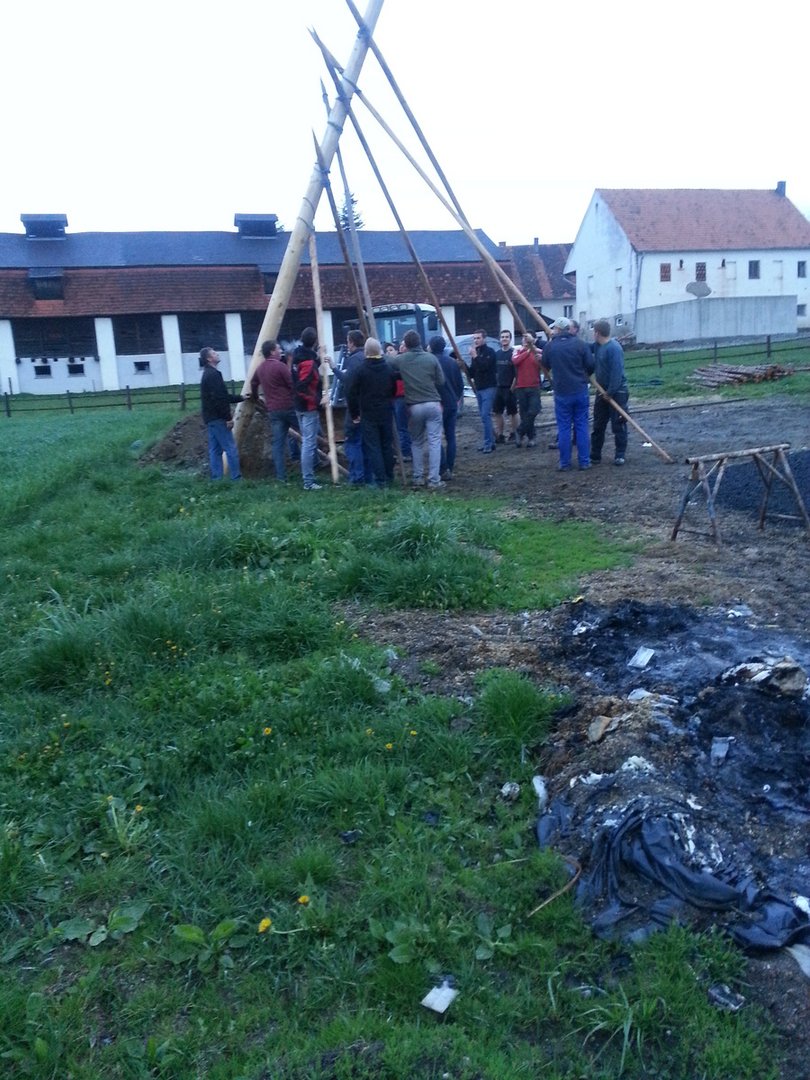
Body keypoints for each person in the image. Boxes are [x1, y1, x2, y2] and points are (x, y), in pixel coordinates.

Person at [390, 329, 445, 489]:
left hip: (414, 406)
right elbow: (441, 381)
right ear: (420, 342)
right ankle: (434, 479)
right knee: (434, 442)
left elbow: (387, 363)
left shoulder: (401, 360)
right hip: (433, 404)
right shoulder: (431, 358)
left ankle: (418, 477)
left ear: (406, 345)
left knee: (416, 442)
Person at [542, 317, 594, 470]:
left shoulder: (551, 346)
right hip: (579, 389)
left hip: (562, 392)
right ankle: (584, 462)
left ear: (558, 329)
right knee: (581, 425)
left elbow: (545, 365)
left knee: (564, 428)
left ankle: (565, 463)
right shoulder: (580, 344)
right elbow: (591, 365)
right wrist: (583, 375)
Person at [346, 337, 397, 487]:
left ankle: (380, 480)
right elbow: (393, 388)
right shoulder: (388, 368)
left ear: (366, 352)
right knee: (386, 445)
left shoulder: (361, 370)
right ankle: (389, 475)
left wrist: (354, 414)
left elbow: (351, 393)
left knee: (374, 447)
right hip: (386, 411)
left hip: (368, 413)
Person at [250, 339, 296, 483]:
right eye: (278, 349)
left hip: (273, 410)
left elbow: (253, 383)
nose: (280, 351)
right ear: (272, 352)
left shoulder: (260, 368)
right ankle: (315, 462)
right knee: (309, 434)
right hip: (288, 407)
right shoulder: (280, 366)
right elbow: (292, 384)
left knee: (278, 444)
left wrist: (255, 397)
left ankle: (281, 477)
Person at [327, 329, 368, 485]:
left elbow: (348, 384)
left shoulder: (353, 360)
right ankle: (367, 476)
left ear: (351, 342)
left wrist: (334, 368)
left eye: (347, 341)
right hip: (368, 407)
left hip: (355, 408)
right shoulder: (367, 357)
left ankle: (357, 477)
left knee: (352, 442)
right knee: (364, 443)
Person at [199, 346, 243, 480]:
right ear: (209, 359)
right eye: (214, 353)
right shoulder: (214, 375)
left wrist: (241, 398)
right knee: (230, 448)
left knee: (215, 450)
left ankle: (216, 479)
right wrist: (228, 418)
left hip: (210, 418)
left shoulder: (207, 374)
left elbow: (221, 396)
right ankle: (236, 478)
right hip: (218, 418)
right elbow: (220, 399)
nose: (217, 354)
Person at [590, 319, 629, 466]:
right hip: (601, 391)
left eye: (593, 331)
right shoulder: (597, 346)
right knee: (598, 424)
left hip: (617, 391)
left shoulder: (614, 348)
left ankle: (620, 455)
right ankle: (595, 455)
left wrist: (610, 392)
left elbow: (616, 373)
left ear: (597, 333)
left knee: (618, 424)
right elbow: (584, 348)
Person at [291, 327, 324, 491]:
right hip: (308, 406)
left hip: (299, 405)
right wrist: (316, 400)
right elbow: (302, 386)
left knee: (309, 440)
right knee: (309, 443)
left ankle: (315, 466)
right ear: (315, 341)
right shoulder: (308, 363)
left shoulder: (297, 358)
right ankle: (308, 481)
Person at [428, 335, 464, 480]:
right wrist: (456, 398)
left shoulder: (431, 362)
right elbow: (460, 384)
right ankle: (450, 466)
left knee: (435, 437)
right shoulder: (452, 362)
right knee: (451, 437)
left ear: (431, 346)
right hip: (452, 403)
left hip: (437, 403)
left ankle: (443, 468)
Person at [466, 329, 497, 453]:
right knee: (484, 417)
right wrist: (463, 366)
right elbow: (472, 372)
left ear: (484, 338)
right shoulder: (476, 353)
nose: (476, 340)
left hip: (489, 387)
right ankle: (490, 441)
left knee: (485, 415)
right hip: (479, 388)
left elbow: (484, 367)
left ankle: (488, 443)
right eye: (474, 338)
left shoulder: (490, 352)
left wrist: (475, 356)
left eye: (478, 338)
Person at [511, 332, 542, 448]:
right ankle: (531, 437)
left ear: (533, 339)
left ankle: (520, 431)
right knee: (524, 414)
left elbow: (545, 360)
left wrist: (535, 352)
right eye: (523, 338)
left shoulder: (538, 351)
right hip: (521, 387)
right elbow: (515, 361)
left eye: (527, 338)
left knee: (534, 410)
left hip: (534, 386)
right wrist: (528, 351)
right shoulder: (517, 350)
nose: (524, 340)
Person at [386, 341, 412, 460]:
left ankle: (406, 452)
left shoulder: (402, 361)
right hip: (394, 397)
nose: (389, 353)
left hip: (401, 397)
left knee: (402, 426)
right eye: (387, 351)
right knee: (397, 426)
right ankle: (400, 450)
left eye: (391, 350)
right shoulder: (392, 363)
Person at [493, 329, 518, 443]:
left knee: (513, 412)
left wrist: (512, 388)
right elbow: (495, 371)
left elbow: (517, 374)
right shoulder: (497, 354)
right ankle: (500, 434)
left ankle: (514, 433)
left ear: (510, 339)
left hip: (510, 388)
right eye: (502, 337)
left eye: (506, 337)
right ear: (500, 339)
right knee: (497, 412)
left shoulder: (513, 353)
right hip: (499, 387)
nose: (504, 339)